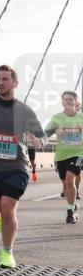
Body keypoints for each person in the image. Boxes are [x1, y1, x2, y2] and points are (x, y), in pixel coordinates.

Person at [0, 65, 46, 268]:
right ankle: (2, 220)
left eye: (4, 79)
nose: (0, 83)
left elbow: (42, 135)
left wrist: (40, 142)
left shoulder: (24, 110)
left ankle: (7, 252)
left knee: (7, 208)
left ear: (14, 83)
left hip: (17, 167)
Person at [44, 90, 82, 224]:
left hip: (78, 154)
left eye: (71, 99)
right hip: (61, 155)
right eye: (65, 99)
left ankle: (70, 211)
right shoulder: (57, 118)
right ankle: (74, 205)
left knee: (70, 180)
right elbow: (46, 134)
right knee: (66, 187)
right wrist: (39, 140)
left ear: (75, 102)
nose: (68, 102)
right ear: (62, 102)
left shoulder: (81, 118)